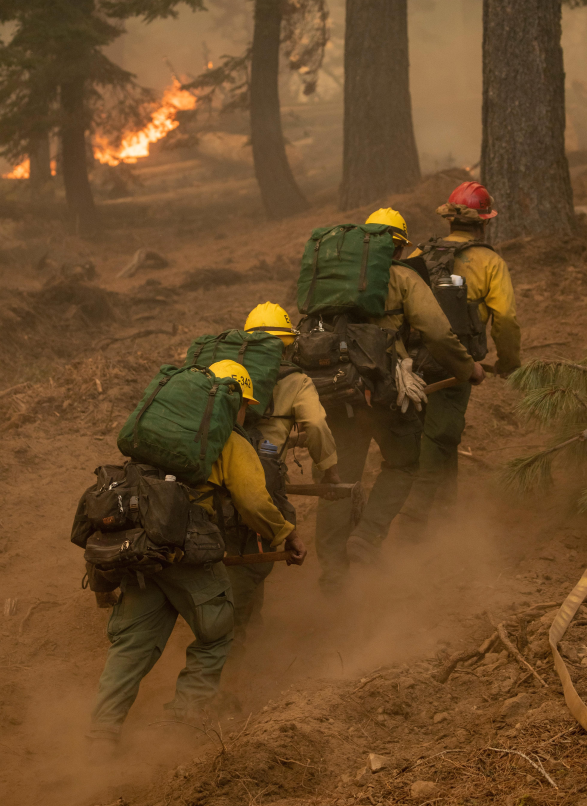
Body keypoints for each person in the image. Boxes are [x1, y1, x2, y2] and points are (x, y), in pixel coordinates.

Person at [88, 360, 306, 751]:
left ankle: (101, 735)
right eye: (245, 405)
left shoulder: (156, 433)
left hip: (142, 549)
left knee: (131, 645)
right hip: (189, 555)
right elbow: (255, 502)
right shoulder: (229, 441)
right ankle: (181, 727)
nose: (246, 413)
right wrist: (285, 534)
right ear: (234, 402)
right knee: (216, 635)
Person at [314, 208, 485, 589]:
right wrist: (467, 367)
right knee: (404, 463)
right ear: (399, 248)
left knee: (338, 480)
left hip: (337, 391)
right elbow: (439, 334)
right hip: (386, 392)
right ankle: (367, 537)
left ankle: (332, 572)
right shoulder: (402, 277)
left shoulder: (328, 283)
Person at [402, 181, 521, 535]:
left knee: (436, 435)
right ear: (484, 222)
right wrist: (510, 364)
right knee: (440, 436)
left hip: (409, 361)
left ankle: (445, 513)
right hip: (454, 363)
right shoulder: (490, 261)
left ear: (451, 219)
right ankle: (414, 521)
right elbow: (506, 320)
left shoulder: (419, 253)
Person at [226, 302, 338, 654]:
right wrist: (329, 469)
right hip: (261, 473)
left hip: (214, 466)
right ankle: (235, 642)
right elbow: (317, 426)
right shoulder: (297, 380)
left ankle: (248, 627)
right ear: (289, 345)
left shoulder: (225, 370)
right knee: (257, 549)